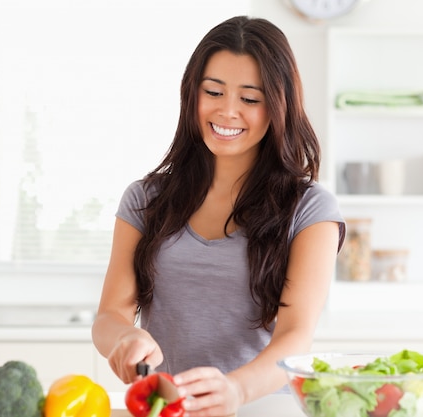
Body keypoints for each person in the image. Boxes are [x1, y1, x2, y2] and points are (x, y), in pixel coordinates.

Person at [91, 16, 345, 416]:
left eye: (249, 99)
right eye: (213, 91)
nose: (227, 112)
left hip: (263, 407)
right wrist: (124, 338)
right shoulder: (146, 198)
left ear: (279, 105)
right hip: (167, 407)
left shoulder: (310, 209)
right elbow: (109, 315)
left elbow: (296, 335)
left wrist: (236, 391)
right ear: (192, 94)